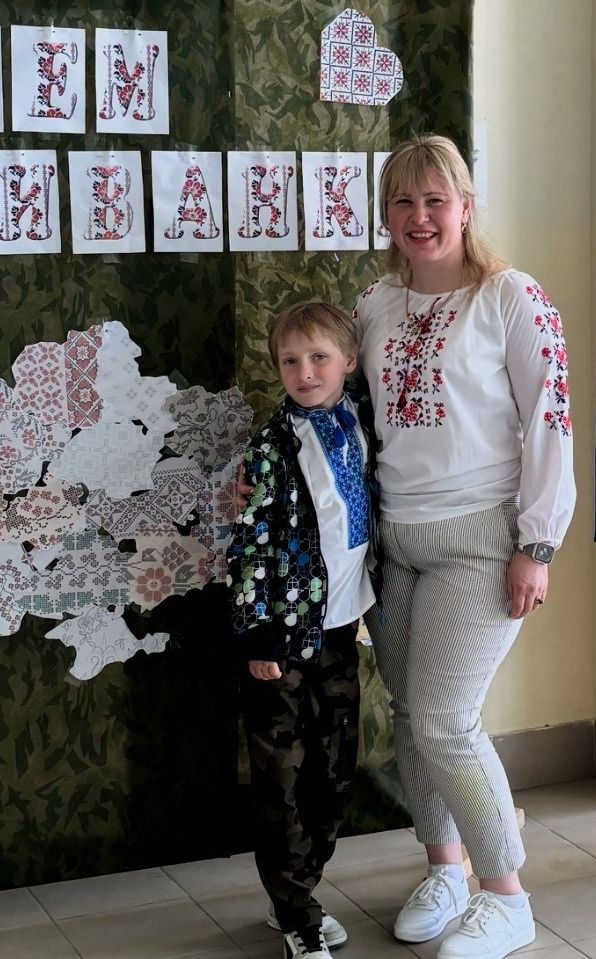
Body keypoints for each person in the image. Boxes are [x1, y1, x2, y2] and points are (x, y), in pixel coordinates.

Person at [354, 134, 575, 959]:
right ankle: (443, 868)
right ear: (386, 213)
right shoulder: (374, 304)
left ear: (465, 206)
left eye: (435, 199)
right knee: (410, 718)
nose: (420, 216)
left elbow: (550, 419)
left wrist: (536, 543)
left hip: (479, 540)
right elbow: (343, 417)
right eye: (403, 201)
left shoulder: (511, 297)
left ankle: (506, 897)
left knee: (446, 721)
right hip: (395, 541)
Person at [226, 301, 378, 959]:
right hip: (281, 639)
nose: (305, 372)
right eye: (290, 361)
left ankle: (296, 890)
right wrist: (258, 634)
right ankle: (298, 914)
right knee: (281, 778)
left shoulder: (365, 419)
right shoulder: (271, 447)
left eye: (319, 358)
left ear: (349, 362)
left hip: (341, 629)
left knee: (335, 771)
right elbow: (251, 545)